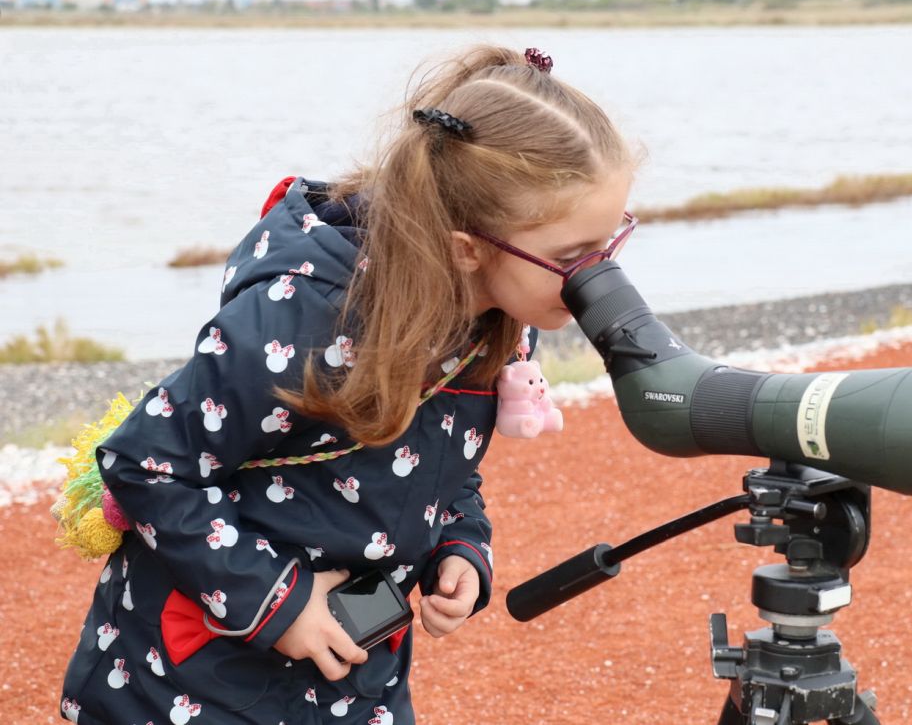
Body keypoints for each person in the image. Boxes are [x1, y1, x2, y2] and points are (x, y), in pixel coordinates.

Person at [58, 45, 637, 724]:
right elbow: (146, 461)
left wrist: (462, 546)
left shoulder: (503, 315)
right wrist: (280, 600)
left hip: (354, 681)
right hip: (189, 681)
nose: (599, 276)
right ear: (466, 247)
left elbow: (443, 466)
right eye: (573, 257)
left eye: (612, 240)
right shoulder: (301, 319)